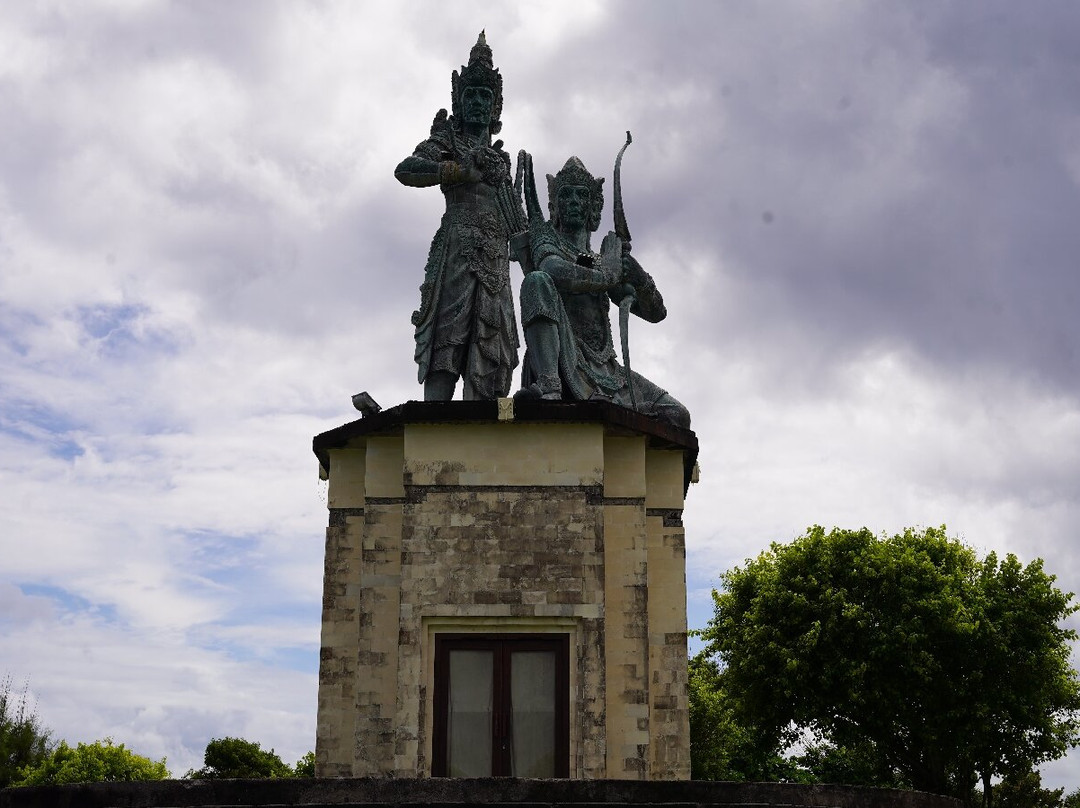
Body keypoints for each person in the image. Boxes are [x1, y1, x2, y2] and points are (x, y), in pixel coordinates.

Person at [395, 32, 527, 401]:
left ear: (496, 106)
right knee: (447, 338)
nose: (478, 102)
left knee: (490, 346)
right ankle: (435, 421)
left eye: (485, 96)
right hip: (457, 248)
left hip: (496, 258)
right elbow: (406, 170)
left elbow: (520, 232)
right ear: (458, 100)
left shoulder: (502, 162)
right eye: (471, 94)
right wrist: (456, 171)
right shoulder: (448, 144)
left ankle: (481, 429)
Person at [515, 154, 690, 429]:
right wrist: (607, 275)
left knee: (677, 416)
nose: (574, 202)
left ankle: (625, 419)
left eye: (581, 196)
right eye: (567, 195)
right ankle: (550, 386)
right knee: (536, 281)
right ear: (555, 205)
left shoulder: (603, 261)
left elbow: (657, 313)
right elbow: (553, 270)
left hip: (606, 369)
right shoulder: (547, 245)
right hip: (565, 359)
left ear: (593, 206)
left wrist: (637, 275)